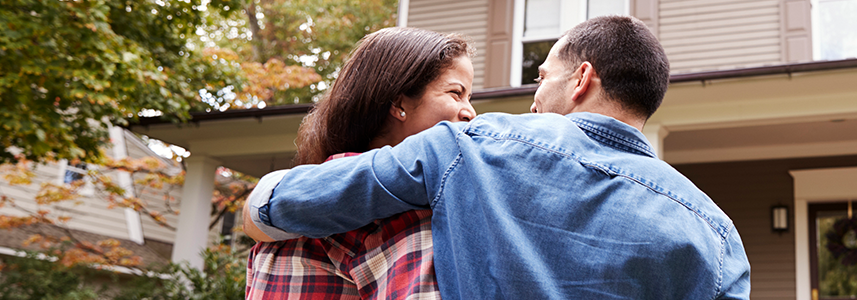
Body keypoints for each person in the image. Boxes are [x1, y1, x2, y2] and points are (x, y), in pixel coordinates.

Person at [243, 16, 750, 299]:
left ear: (581, 80)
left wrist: (260, 203)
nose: (532, 98)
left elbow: (293, 201)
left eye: (542, 77)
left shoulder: (474, 148)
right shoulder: (719, 234)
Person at [245, 27, 476, 299]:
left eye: (469, 97)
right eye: (455, 93)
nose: (470, 112)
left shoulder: (301, 193)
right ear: (398, 102)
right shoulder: (393, 207)